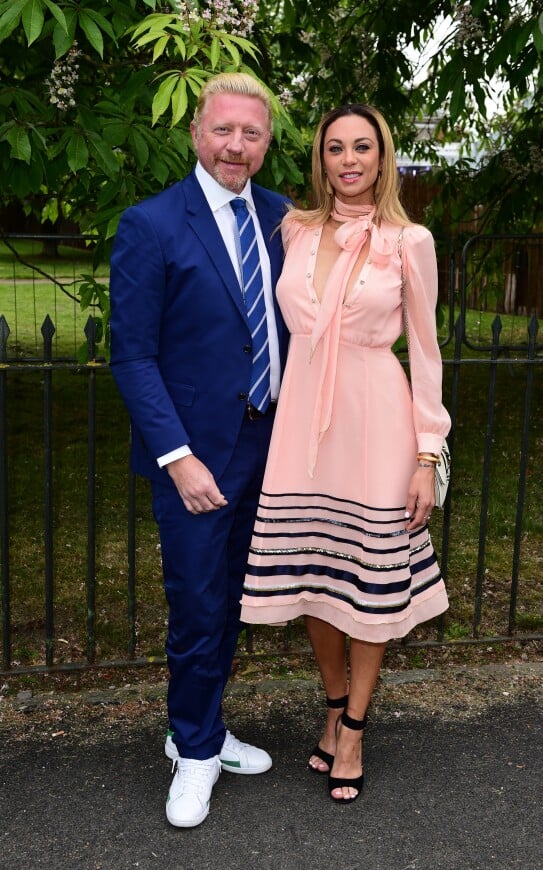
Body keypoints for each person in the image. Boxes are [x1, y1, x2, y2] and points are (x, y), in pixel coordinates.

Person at [240, 104, 451, 803]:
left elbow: (425, 352)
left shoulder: (408, 240)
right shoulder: (294, 231)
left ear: (383, 157)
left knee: (367, 583)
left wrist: (428, 453)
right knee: (314, 580)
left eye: (364, 147)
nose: (350, 159)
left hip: (378, 425)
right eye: (336, 147)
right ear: (321, 159)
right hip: (302, 426)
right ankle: (332, 710)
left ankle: (356, 727)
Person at [109, 72, 291, 828]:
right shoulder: (151, 225)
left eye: (251, 134)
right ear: (195, 133)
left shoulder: (284, 219)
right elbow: (133, 356)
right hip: (195, 457)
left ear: (266, 144)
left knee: (236, 603)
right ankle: (192, 748)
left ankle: (205, 729)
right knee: (197, 604)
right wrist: (177, 458)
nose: (236, 146)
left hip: (272, 448)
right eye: (224, 130)